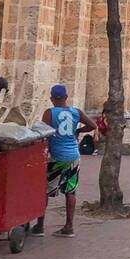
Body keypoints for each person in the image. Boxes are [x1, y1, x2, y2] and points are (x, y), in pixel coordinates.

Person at [35, 84, 98, 237]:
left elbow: (45, 133)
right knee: (71, 190)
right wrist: (78, 130)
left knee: (45, 190)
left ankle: (40, 226)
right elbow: (92, 125)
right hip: (73, 156)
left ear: (51, 98)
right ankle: (69, 226)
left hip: (56, 156)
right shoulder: (76, 112)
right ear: (66, 97)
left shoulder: (49, 113)